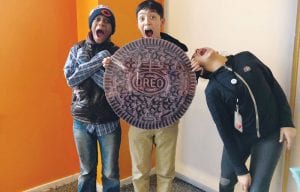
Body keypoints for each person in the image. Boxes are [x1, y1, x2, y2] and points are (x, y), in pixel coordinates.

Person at [191, 47, 297, 192]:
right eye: (195, 54)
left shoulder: (246, 58)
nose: (198, 50)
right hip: (238, 139)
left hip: (270, 136)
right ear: (198, 65)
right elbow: (225, 131)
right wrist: (241, 170)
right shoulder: (212, 90)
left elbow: (274, 86)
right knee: (226, 182)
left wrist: (287, 122)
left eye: (199, 49)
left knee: (258, 189)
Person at [63, 5, 121, 192]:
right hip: (81, 120)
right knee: (86, 171)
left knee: (110, 173)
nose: (101, 23)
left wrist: (108, 67)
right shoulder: (76, 49)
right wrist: (99, 61)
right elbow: (71, 79)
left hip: (109, 122)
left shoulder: (118, 53)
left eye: (106, 21)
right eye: (97, 20)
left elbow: (120, 89)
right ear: (91, 24)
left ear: (111, 29)